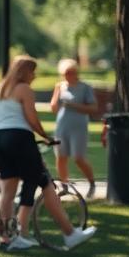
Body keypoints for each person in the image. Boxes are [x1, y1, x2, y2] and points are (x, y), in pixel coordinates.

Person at [0, 55, 97, 251]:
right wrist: (46, 136)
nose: (35, 76)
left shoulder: (0, 88)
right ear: (25, 72)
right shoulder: (24, 89)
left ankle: (9, 237)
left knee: (8, 191)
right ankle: (69, 233)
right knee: (46, 182)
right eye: (33, 71)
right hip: (19, 139)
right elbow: (32, 120)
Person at [50, 59, 98, 198]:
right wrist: (57, 94)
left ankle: (92, 183)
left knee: (78, 157)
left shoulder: (85, 87)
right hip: (62, 126)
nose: (68, 75)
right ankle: (64, 185)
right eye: (65, 73)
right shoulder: (60, 86)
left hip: (79, 126)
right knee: (61, 157)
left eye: (71, 72)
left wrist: (74, 105)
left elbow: (93, 108)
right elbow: (54, 107)